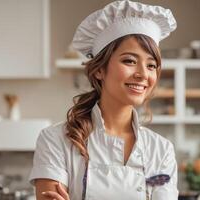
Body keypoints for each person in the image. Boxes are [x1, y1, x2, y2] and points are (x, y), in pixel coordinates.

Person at [28, 1, 178, 199]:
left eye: (151, 65)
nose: (143, 74)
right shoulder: (56, 140)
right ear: (99, 69)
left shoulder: (161, 150)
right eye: (129, 61)